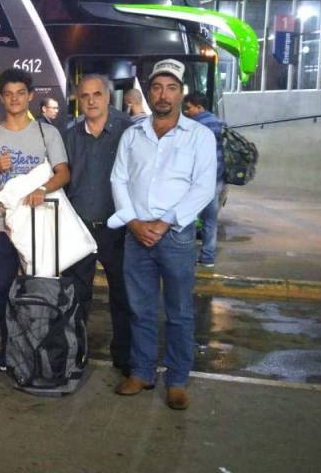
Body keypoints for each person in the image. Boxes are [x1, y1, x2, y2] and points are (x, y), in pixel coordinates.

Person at [109, 59, 216, 411]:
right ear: (149, 93)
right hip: (136, 234)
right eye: (157, 88)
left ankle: (177, 379)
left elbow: (203, 188)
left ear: (181, 93)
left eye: (171, 88)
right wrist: (133, 222)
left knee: (179, 312)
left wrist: (166, 222)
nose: (163, 95)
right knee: (140, 309)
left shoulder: (199, 136)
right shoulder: (133, 134)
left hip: (176, 236)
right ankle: (142, 372)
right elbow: (118, 179)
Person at [0, 68, 70, 372]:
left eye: (21, 93)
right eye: (8, 94)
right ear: (1, 98)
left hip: (39, 225)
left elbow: (63, 173)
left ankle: (39, 348)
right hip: (3, 226)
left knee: (39, 287)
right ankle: (9, 349)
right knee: (3, 290)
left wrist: (42, 189)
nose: (15, 99)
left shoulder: (47, 133)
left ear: (31, 96)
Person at [63, 74, 134, 376]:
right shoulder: (70, 136)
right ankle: (75, 355)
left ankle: (125, 357)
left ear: (108, 97)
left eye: (97, 94)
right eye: (85, 96)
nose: (91, 101)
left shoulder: (128, 132)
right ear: (79, 100)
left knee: (123, 295)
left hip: (117, 230)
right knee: (77, 296)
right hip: (79, 229)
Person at [183, 92, 225, 267]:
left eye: (189, 108)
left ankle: (187, 256)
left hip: (200, 180)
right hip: (217, 178)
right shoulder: (219, 122)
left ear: (199, 107)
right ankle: (208, 258)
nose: (186, 111)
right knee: (210, 221)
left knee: (188, 218)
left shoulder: (196, 125)